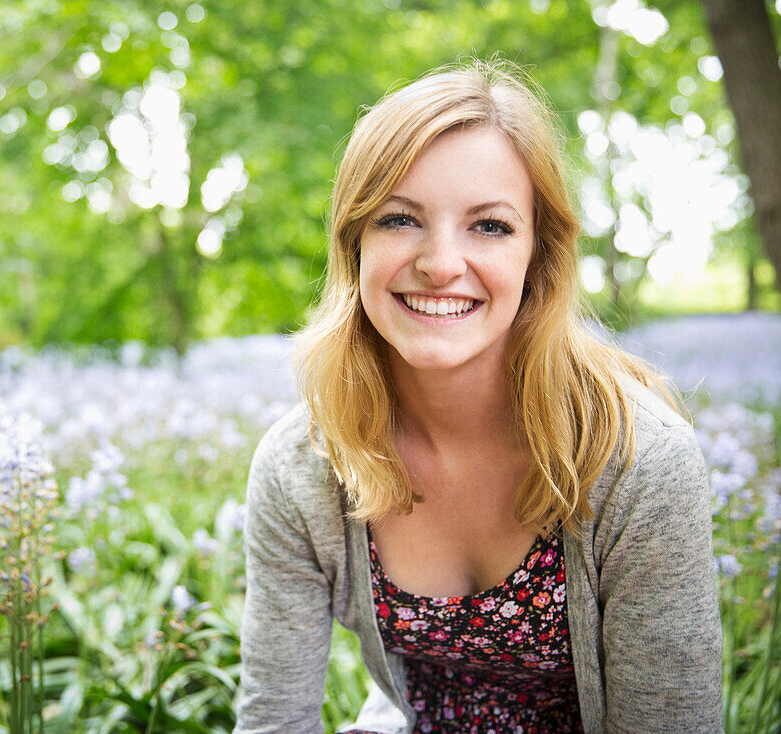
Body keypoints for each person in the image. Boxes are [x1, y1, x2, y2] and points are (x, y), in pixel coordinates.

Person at [233, 59, 722, 734]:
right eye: (399, 220)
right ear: (354, 245)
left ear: (538, 256)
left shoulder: (639, 463)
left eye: (489, 226)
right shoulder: (303, 466)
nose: (439, 263)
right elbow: (273, 720)